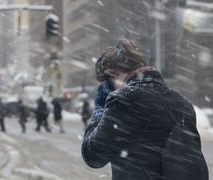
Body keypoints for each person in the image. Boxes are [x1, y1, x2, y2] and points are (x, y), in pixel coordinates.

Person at [81, 39, 208, 180]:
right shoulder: (183, 104)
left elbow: (93, 156)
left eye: (108, 81)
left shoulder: (123, 100)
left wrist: (99, 109)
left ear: (115, 73)